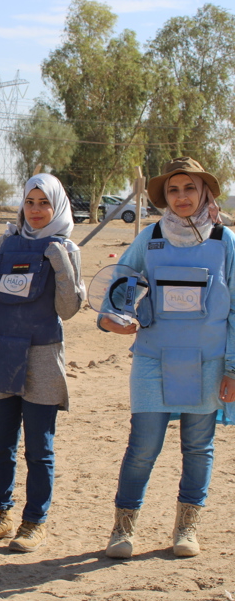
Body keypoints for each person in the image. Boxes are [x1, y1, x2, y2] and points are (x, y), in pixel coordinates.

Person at [99, 157, 235, 559]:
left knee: (198, 447)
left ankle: (186, 529)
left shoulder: (224, 241)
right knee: (142, 446)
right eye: (173, 190)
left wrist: (232, 367)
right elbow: (121, 284)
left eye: (189, 188)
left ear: (204, 192)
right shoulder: (150, 237)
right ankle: (122, 531)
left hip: (206, 362)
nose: (181, 197)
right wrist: (114, 319)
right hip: (152, 359)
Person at [0, 173, 84, 552]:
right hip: (2, 353)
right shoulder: (6, 244)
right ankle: (0, 515)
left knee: (39, 447)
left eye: (43, 203)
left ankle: (35, 521)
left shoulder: (67, 248)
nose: (35, 210)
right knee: (1, 444)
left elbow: (69, 308)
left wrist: (61, 264)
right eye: (30, 202)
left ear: (57, 206)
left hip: (44, 355)